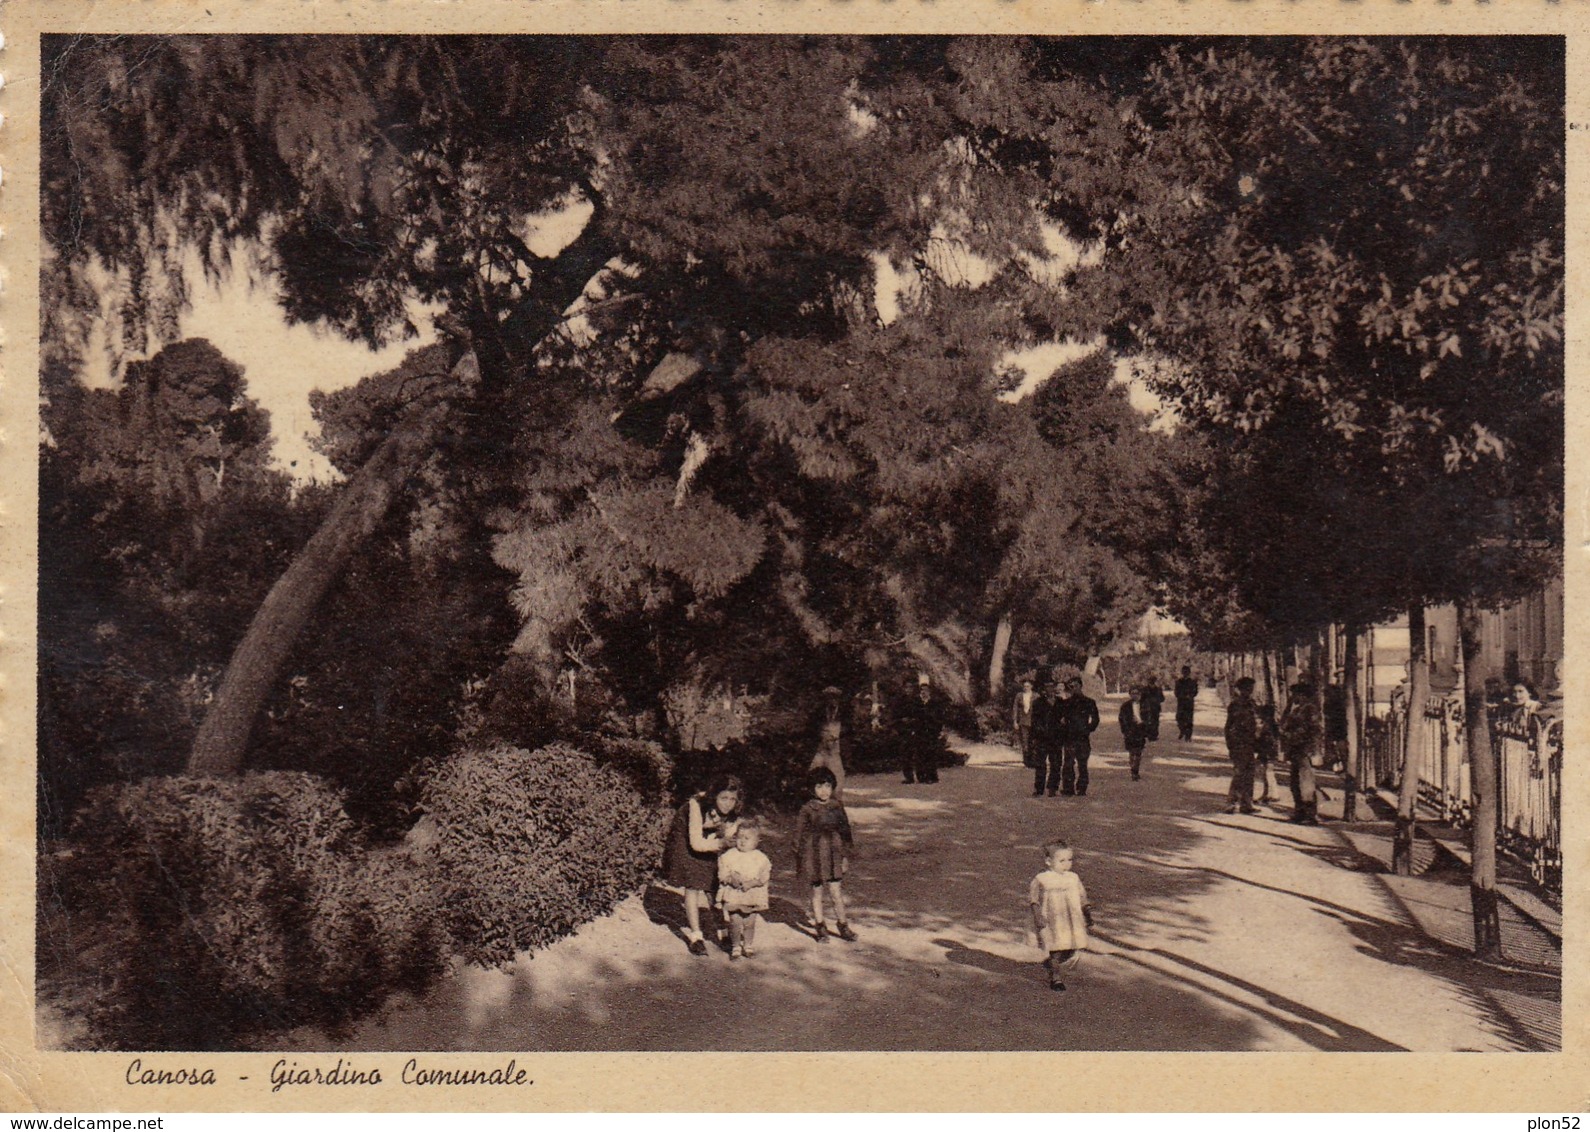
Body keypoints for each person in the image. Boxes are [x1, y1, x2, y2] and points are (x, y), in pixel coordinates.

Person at [661, 775, 744, 955]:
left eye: (732, 799)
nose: (728, 803)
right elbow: (696, 843)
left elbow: (727, 838)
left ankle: (723, 932)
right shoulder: (696, 805)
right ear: (714, 796)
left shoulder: (733, 813)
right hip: (685, 839)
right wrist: (722, 843)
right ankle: (696, 936)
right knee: (692, 884)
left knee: (714, 883)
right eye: (723, 798)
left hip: (708, 839)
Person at [794, 767, 858, 942]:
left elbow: (845, 831)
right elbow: (798, 834)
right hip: (814, 855)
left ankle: (843, 924)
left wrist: (845, 856)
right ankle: (820, 926)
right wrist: (801, 859)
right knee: (817, 892)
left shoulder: (837, 806)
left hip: (833, 854)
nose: (824, 791)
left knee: (836, 891)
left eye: (827, 786)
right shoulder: (807, 809)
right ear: (812, 788)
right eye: (819, 787)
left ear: (832, 787)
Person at [1028, 838, 1093, 992]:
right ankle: (1056, 977)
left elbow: (1082, 897)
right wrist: (1038, 916)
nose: (1066, 864)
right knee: (1057, 948)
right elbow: (1034, 899)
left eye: (1069, 860)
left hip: (1072, 919)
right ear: (1049, 861)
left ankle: (1050, 963)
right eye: (1061, 860)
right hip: (1052, 919)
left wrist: (1087, 913)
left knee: (1071, 948)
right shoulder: (1041, 879)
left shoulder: (1073, 878)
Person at [716, 822, 772, 960]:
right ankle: (735, 946)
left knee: (749, 922)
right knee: (735, 920)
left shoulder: (760, 858)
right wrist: (730, 878)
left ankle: (747, 945)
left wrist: (752, 882)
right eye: (740, 837)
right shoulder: (729, 855)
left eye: (747, 838)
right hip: (734, 894)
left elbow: (764, 876)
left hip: (751, 894)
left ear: (757, 841)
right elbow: (722, 873)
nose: (742, 841)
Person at [1280, 681, 1323, 825]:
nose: (1293, 697)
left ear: (1303, 695)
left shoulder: (1311, 710)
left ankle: (1310, 815)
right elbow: (1284, 724)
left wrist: (1315, 752)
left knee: (1306, 783)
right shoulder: (1296, 710)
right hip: (1296, 750)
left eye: (1295, 694)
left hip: (1306, 750)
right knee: (1295, 783)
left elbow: (1316, 731)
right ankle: (1299, 812)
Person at [1058, 675, 1101, 796]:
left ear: (1081, 686)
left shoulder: (1089, 702)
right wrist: (1064, 730)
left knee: (1082, 764)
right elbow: (1060, 719)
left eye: (1076, 686)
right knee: (1068, 763)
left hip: (1083, 737)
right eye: (1071, 687)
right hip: (1070, 737)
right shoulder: (1065, 703)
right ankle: (1068, 788)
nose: (1074, 688)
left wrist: (1088, 729)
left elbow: (1096, 719)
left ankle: (1082, 788)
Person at [1223, 676, 1259, 815]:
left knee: (1249, 774)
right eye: (1247, 688)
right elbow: (1229, 726)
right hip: (1238, 744)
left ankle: (1246, 804)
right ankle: (1231, 803)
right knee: (1239, 773)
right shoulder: (1235, 705)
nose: (1249, 691)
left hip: (1249, 743)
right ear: (1241, 689)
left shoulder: (1252, 704)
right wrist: (1231, 745)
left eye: (1251, 688)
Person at [899, 679, 943, 785]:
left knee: (931, 754)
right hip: (920, 732)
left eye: (926, 690)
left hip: (931, 732)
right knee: (920, 754)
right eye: (922, 690)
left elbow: (940, 718)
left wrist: (937, 730)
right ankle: (922, 776)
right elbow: (914, 716)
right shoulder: (916, 702)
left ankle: (932, 776)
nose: (923, 692)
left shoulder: (934, 702)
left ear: (929, 692)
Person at [1028, 675, 1064, 796]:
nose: (1049, 689)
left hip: (1056, 737)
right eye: (1046, 687)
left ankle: (1053, 788)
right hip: (1042, 737)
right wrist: (1034, 737)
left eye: (1051, 686)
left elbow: (1065, 720)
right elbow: (1034, 720)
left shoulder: (1060, 702)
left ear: (1054, 688)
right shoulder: (1038, 703)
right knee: (1040, 764)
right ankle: (1039, 788)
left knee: (1056, 764)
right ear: (1043, 688)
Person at [809, 685, 848, 798]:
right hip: (821, 748)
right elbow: (811, 729)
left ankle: (836, 802)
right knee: (814, 772)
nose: (832, 700)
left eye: (834, 698)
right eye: (829, 698)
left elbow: (849, 731)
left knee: (838, 777)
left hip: (835, 749)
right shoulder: (818, 712)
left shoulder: (843, 713)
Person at [1118, 686, 1148, 781]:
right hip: (1129, 731)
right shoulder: (1125, 706)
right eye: (1133, 693)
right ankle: (1133, 768)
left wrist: (1143, 723)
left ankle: (1135, 771)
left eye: (1137, 693)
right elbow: (1121, 719)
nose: (1135, 695)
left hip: (1140, 730)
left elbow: (1150, 718)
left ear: (1140, 694)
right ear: (1130, 694)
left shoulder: (1145, 705)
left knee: (1138, 752)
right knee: (1131, 752)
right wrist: (1125, 730)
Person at [1254, 701, 1280, 805]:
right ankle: (1268, 794)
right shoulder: (1272, 725)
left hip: (1266, 752)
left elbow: (1264, 740)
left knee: (1266, 773)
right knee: (1267, 773)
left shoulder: (1267, 727)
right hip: (1269, 752)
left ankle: (1272, 794)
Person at [1013, 677, 1038, 770]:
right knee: (1024, 742)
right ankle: (1026, 761)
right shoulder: (1019, 696)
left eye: (1028, 686)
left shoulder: (1036, 696)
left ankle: (1033, 761)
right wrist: (1015, 721)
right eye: (1024, 686)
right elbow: (1015, 708)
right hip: (1023, 722)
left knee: (1034, 742)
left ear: (1031, 686)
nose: (1026, 688)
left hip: (1034, 722)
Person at [1324, 679, 1349, 773]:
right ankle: (1339, 766)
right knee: (1336, 750)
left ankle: (1343, 767)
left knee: (1341, 750)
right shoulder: (1328, 704)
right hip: (1334, 730)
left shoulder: (1339, 704)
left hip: (1340, 731)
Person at [1173, 665, 1199, 741]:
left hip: (1189, 703)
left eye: (1186, 672)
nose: (1185, 673)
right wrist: (1181, 696)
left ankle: (1188, 735)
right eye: (1184, 672)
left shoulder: (1192, 682)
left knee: (1189, 719)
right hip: (1181, 702)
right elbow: (1176, 692)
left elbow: (1195, 692)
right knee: (1179, 718)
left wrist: (1190, 696)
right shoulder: (1178, 682)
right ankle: (1182, 730)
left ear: (1189, 673)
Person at [1139, 677, 1165, 742]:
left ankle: (1152, 735)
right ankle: (1149, 735)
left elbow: (1162, 699)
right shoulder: (1145, 689)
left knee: (1154, 722)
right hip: (1148, 708)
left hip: (1153, 708)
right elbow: (1141, 699)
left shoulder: (1157, 689)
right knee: (1149, 721)